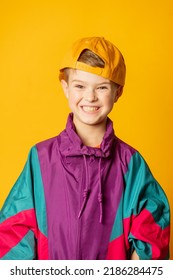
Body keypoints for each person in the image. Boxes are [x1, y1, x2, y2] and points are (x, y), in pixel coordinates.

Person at [0, 37, 170, 260]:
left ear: (117, 92)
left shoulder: (131, 163)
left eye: (101, 87)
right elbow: (14, 230)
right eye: (80, 86)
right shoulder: (40, 158)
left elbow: (152, 227)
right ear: (66, 88)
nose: (90, 97)